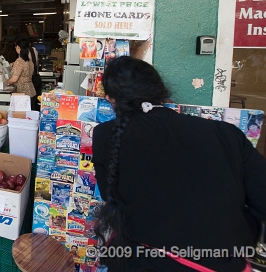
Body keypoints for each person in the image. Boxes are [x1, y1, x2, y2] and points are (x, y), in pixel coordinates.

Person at [92, 56, 266, 272]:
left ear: (110, 98)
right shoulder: (225, 133)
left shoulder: (105, 136)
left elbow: (110, 194)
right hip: (224, 262)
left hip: (142, 261)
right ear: (159, 91)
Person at [6, 38, 37, 110]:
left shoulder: (19, 61)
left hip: (22, 93)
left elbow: (14, 79)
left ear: (18, 47)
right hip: (31, 91)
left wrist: (5, 82)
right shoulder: (30, 61)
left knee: (22, 117)